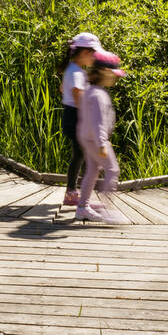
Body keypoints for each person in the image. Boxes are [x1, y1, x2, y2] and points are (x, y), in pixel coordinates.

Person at [76, 49, 125, 223]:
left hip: (87, 137)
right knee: (112, 170)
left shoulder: (91, 91)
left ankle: (83, 206)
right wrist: (102, 143)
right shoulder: (98, 94)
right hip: (96, 140)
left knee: (92, 170)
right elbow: (97, 122)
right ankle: (108, 210)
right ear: (104, 72)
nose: (115, 77)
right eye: (114, 74)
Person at [60, 32, 102, 207]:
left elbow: (63, 89)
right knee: (84, 155)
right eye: (94, 54)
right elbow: (77, 94)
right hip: (77, 116)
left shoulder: (72, 69)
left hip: (70, 115)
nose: (95, 58)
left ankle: (73, 193)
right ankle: (79, 196)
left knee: (79, 154)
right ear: (85, 53)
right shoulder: (76, 72)